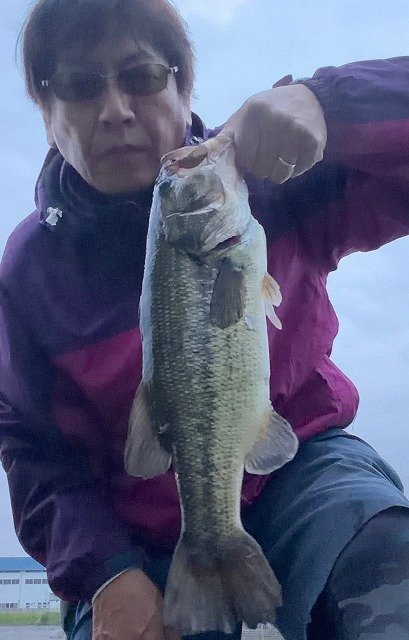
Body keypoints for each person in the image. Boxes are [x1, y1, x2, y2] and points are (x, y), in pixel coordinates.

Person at [0, 0, 408, 639]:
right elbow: (35, 450)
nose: (115, 109)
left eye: (140, 76)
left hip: (304, 467)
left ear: (183, 88)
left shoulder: (273, 177)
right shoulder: (29, 273)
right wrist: (103, 571)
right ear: (47, 116)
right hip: (126, 535)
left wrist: (330, 104)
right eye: (79, 86)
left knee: (384, 560)